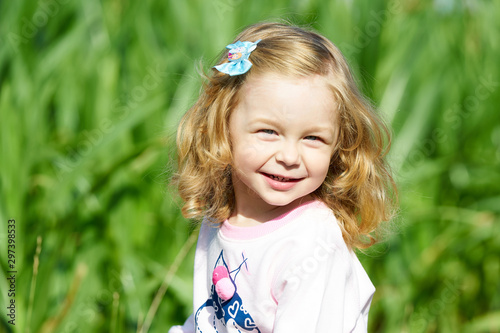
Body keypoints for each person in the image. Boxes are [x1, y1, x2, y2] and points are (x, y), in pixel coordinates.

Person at [169, 21, 396, 333]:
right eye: (268, 132)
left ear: (339, 145)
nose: (289, 157)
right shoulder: (221, 216)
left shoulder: (312, 244)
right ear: (223, 126)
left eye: (313, 138)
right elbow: (209, 321)